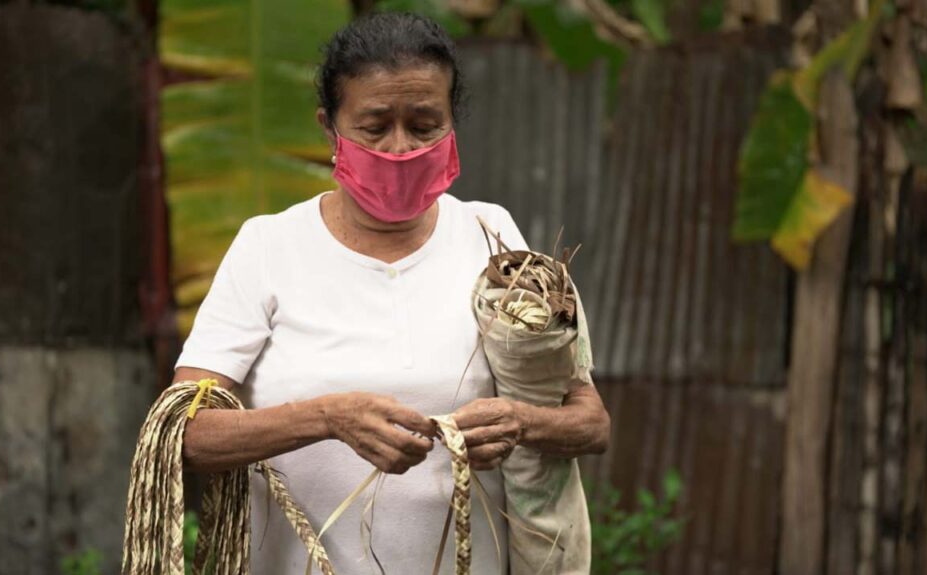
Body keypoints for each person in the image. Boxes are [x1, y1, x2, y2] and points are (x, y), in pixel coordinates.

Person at [175, 12, 610, 574]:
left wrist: (521, 424)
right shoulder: (269, 246)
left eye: (424, 124)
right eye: (375, 126)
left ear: (452, 124)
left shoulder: (491, 237)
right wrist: (328, 417)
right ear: (330, 128)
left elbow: (591, 421)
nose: (401, 147)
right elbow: (186, 434)